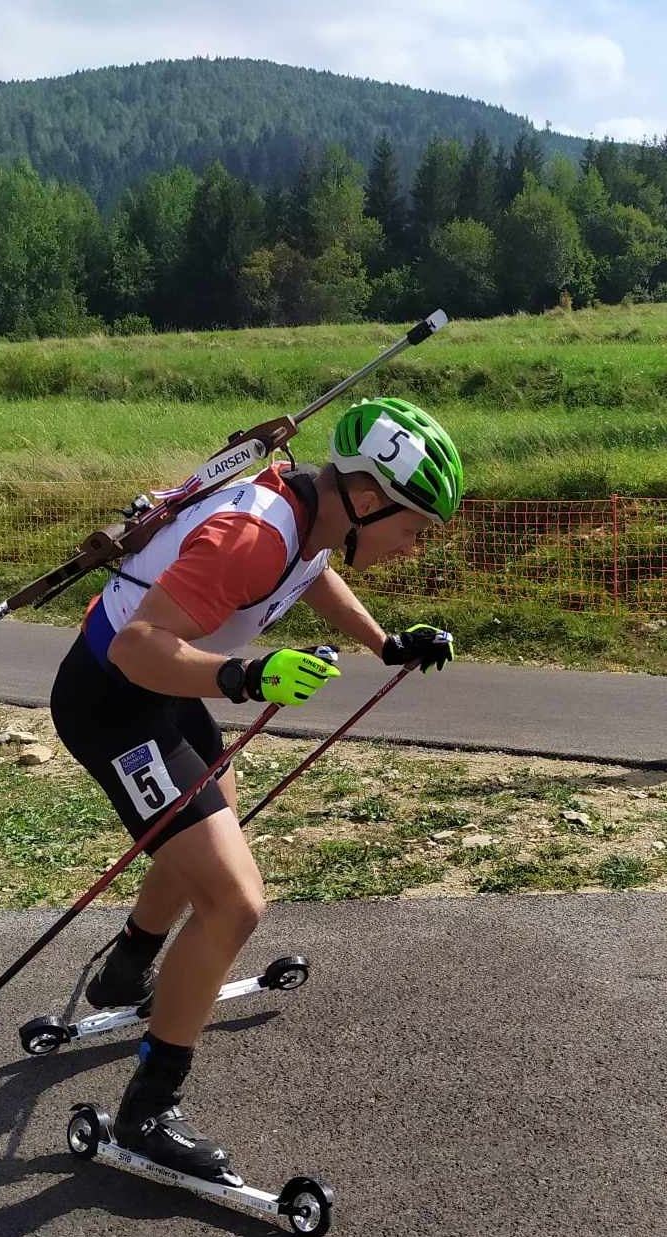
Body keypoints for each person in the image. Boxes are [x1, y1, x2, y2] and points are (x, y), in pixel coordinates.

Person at [49, 396, 463, 1184]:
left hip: (162, 693)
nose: (413, 546)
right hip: (115, 701)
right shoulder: (252, 536)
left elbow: (313, 576)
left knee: (212, 832)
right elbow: (137, 647)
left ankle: (127, 969)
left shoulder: (311, 515)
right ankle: (148, 1111)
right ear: (366, 499)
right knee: (235, 901)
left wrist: (385, 644)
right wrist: (245, 676)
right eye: (414, 528)